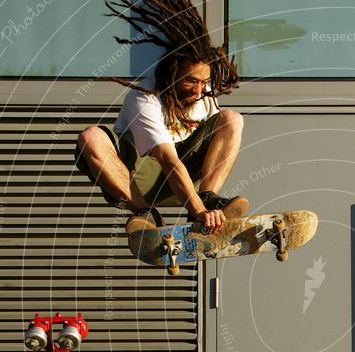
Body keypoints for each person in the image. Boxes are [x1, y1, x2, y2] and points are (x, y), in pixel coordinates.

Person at [74, 0, 246, 233]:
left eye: (204, 82)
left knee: (232, 119)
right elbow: (168, 161)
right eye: (190, 81)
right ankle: (146, 214)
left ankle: (208, 197)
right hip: (139, 180)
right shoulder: (145, 99)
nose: (198, 90)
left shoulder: (203, 94)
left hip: (187, 181)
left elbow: (216, 145)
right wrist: (199, 213)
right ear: (171, 73)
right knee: (90, 137)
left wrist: (201, 205)